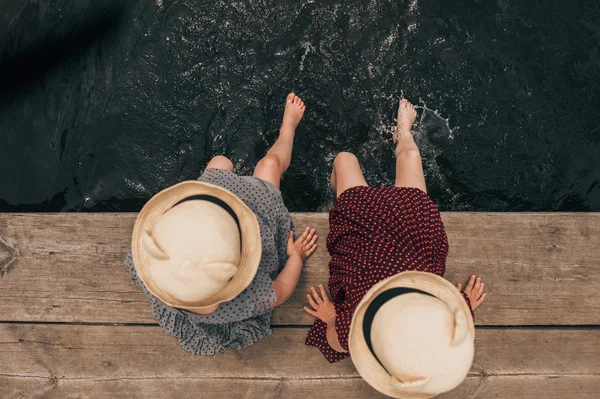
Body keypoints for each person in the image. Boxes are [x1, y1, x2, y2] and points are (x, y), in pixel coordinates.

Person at [303, 99, 487, 397]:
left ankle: (404, 133)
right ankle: (398, 135)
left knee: (401, 157)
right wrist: (329, 315)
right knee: (345, 161)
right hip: (370, 233)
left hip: (411, 234)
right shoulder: (353, 328)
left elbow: (455, 314)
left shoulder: (354, 330)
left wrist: (464, 302)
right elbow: (333, 334)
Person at [125, 93, 318, 355]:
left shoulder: (153, 270)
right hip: (252, 208)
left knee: (221, 162)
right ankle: (287, 130)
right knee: (269, 165)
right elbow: (281, 292)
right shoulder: (244, 299)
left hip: (211, 214)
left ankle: (275, 142)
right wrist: (295, 257)